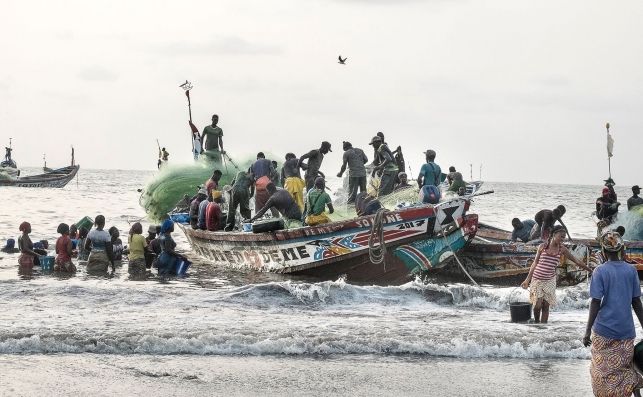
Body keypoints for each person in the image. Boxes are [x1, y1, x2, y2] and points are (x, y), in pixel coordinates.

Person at [583, 230, 643, 397]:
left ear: (603, 252)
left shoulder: (600, 271)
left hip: (604, 331)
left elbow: (595, 302)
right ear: (622, 250)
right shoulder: (631, 271)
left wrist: (587, 331)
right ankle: (635, 392)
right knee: (626, 368)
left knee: (602, 375)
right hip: (626, 331)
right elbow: (636, 302)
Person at [521, 225, 592, 323]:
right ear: (553, 235)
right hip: (537, 279)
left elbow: (576, 260)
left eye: (564, 237)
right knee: (537, 306)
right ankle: (537, 323)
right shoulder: (542, 247)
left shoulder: (562, 249)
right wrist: (527, 280)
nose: (562, 239)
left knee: (546, 305)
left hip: (550, 280)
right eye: (561, 236)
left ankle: (543, 327)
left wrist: (590, 270)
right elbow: (535, 263)